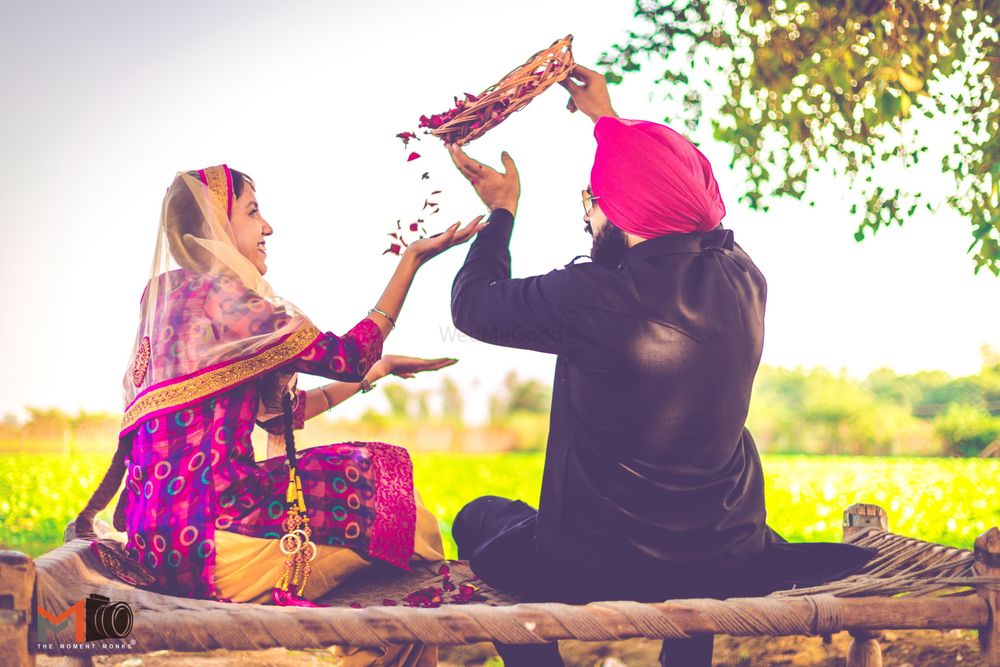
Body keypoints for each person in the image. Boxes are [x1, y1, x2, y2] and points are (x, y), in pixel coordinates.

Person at [445, 66, 877, 666]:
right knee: (687, 559)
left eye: (592, 201)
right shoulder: (744, 277)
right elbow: (686, 199)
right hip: (727, 555)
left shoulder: (591, 296)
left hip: (589, 567)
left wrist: (502, 211)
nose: (589, 214)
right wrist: (608, 121)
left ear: (619, 208)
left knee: (479, 517)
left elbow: (471, 305)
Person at [77, 165, 485, 666]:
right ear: (216, 228)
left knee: (396, 539)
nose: (267, 228)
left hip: (154, 543)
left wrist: (379, 369)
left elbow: (284, 415)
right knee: (396, 497)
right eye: (252, 212)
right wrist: (411, 262)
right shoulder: (219, 296)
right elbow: (345, 357)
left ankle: (380, 643)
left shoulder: (166, 303)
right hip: (214, 541)